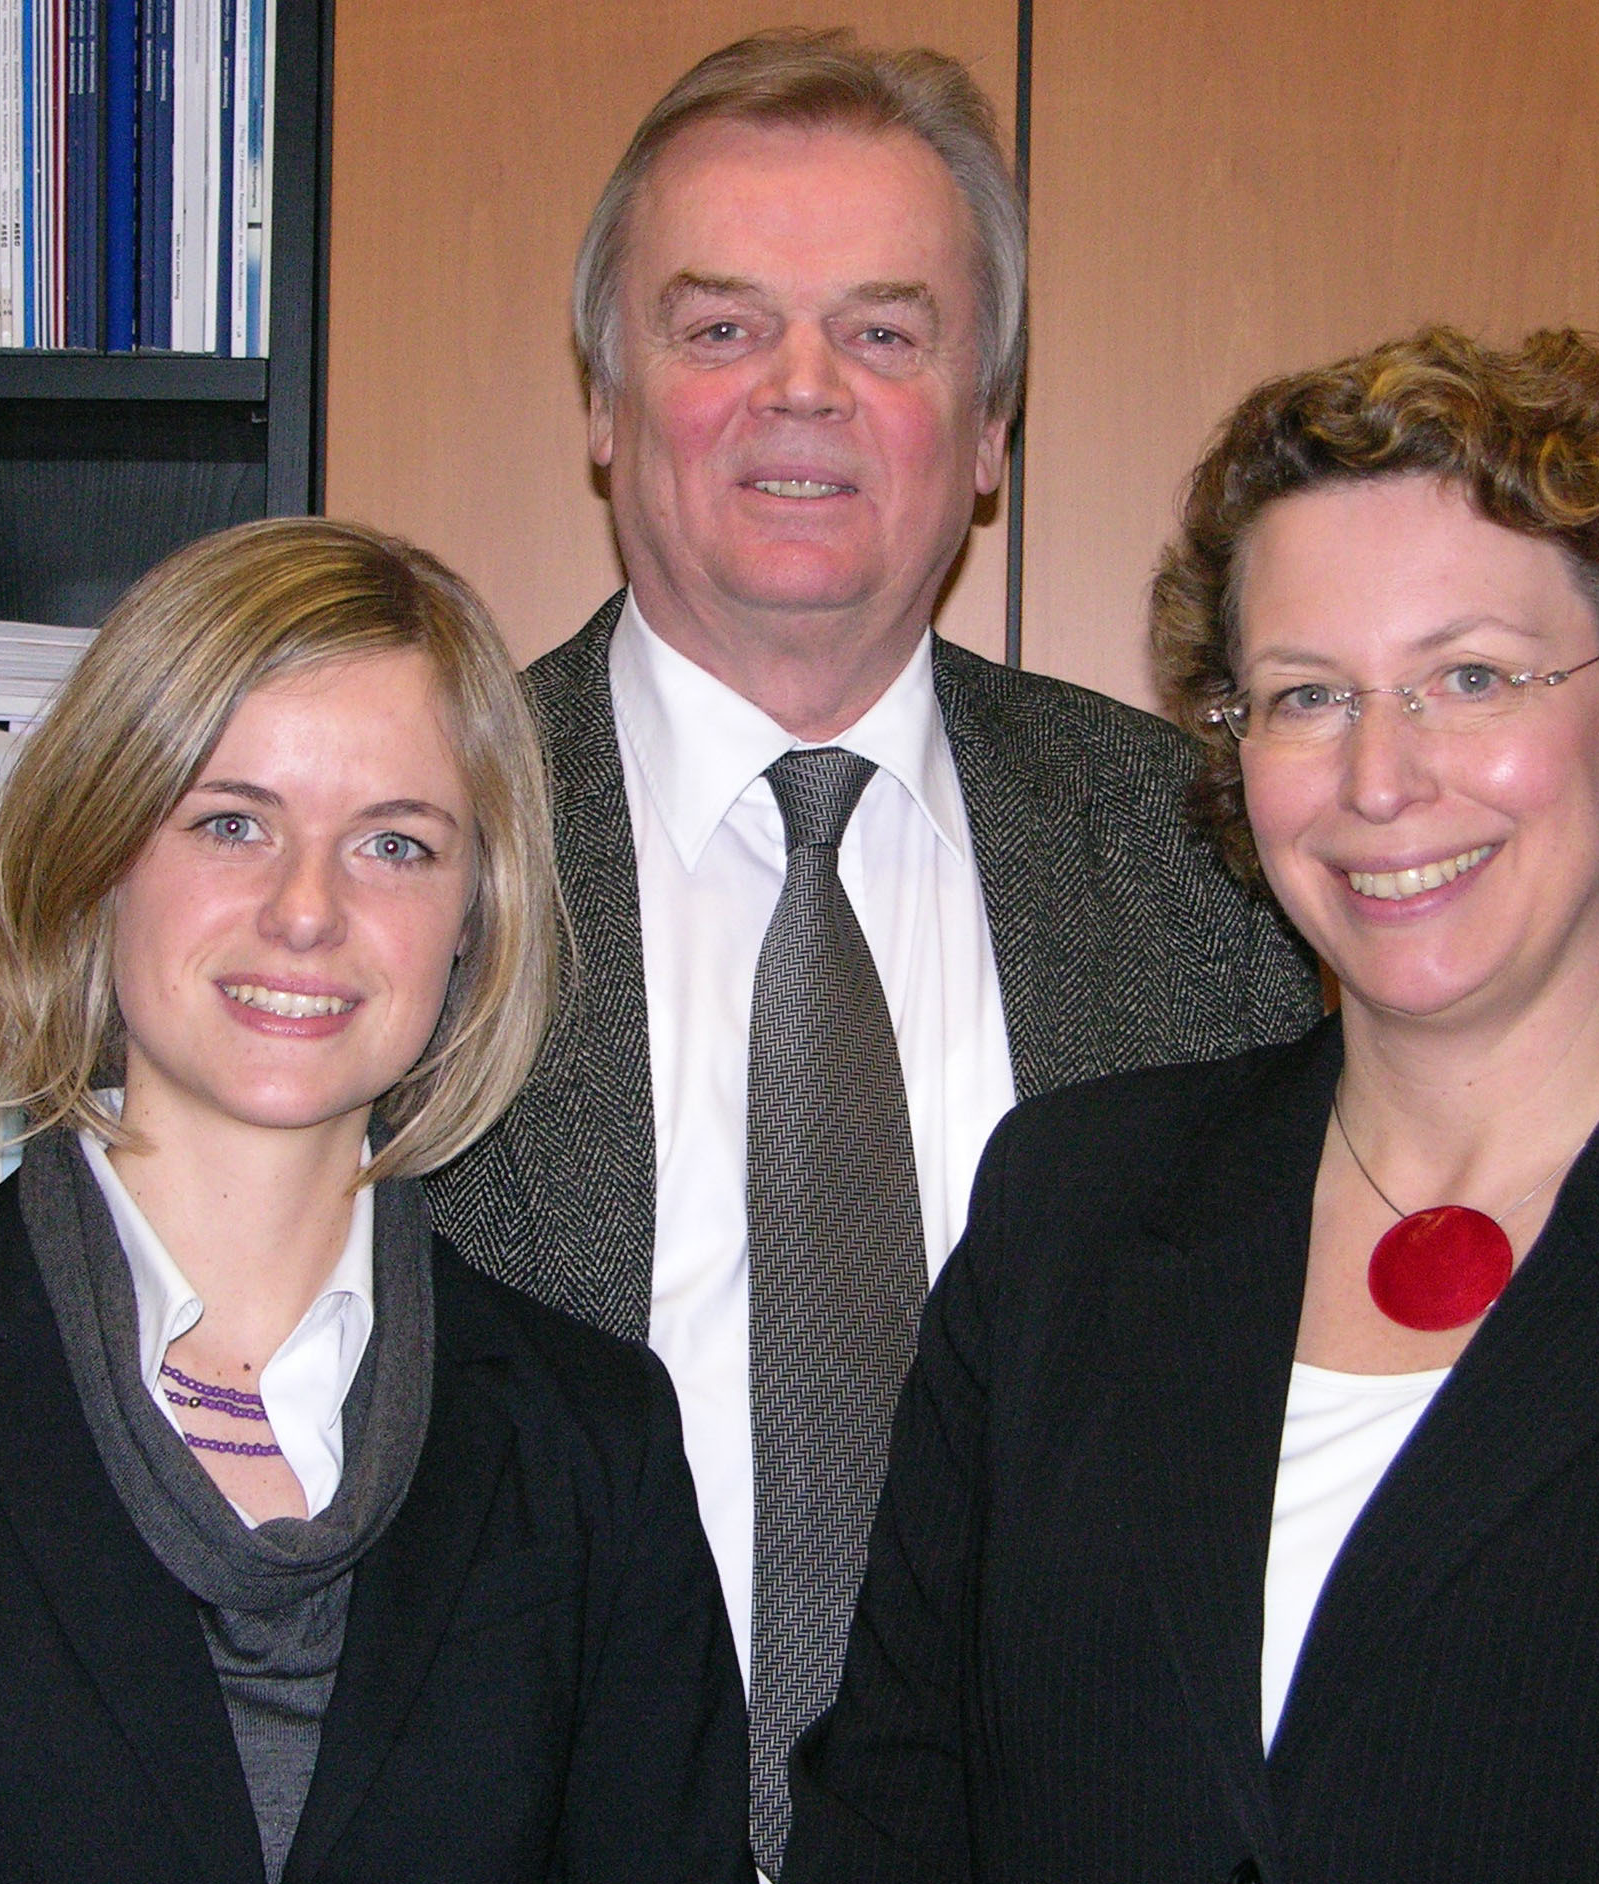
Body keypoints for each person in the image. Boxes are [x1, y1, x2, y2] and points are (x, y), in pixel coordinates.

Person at [787, 328, 1599, 1880]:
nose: (1376, 780)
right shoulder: (1069, 1209)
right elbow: (893, 1813)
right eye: (1307, 695)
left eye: (1469, 677)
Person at [423, 28, 1318, 1869]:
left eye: (887, 334)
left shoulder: (1216, 864)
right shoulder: (408, 843)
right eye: (720, 327)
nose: (802, 391)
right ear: (604, 402)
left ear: (990, 431)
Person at [0, 518, 752, 1884]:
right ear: (99, 860)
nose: (305, 910)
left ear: (472, 920)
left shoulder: (593, 1443)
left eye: (394, 845)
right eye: (230, 823)